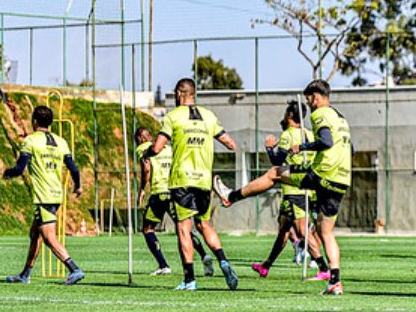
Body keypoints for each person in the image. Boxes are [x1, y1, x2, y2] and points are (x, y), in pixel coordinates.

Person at [213, 79, 351, 295]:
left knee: (274, 173)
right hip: (342, 179)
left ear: (315, 96)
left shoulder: (320, 114)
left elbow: (326, 141)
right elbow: (350, 149)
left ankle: (231, 196)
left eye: (309, 99)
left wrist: (301, 147)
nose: (309, 104)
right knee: (326, 232)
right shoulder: (341, 118)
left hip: (323, 174)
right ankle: (334, 280)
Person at [144, 78, 240, 291]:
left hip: (182, 181)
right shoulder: (208, 116)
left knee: (183, 230)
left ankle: (189, 279)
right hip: (204, 181)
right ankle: (223, 260)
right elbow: (231, 144)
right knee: (204, 225)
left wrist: (147, 152)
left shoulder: (173, 117)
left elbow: (158, 147)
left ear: (179, 94)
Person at [3, 105, 85, 285]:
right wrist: (78, 187)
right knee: (35, 234)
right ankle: (25, 274)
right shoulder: (61, 142)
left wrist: (7, 173)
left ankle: (74, 269)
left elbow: (19, 169)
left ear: (34, 121)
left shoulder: (30, 141)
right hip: (57, 195)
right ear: (51, 122)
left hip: (44, 196)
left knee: (49, 237)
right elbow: (74, 169)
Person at [251, 103, 323, 278]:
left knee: (302, 231)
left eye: (285, 113)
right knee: (284, 229)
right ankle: (266, 266)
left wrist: (269, 147)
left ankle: (324, 268)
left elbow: (277, 161)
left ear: (290, 115)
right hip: (307, 188)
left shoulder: (287, 135)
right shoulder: (309, 134)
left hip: (293, 190)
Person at [134, 127, 215, 277]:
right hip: (175, 191)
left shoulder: (143, 148)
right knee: (184, 230)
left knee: (147, 228)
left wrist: (142, 190)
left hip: (159, 192)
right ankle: (205, 256)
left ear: (139, 138)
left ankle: (163, 265)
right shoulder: (169, 148)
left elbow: (146, 169)